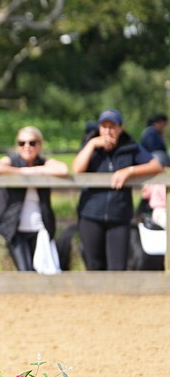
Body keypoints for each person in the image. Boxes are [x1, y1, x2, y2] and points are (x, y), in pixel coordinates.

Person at [73, 109, 163, 270]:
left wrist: (130, 171)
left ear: (120, 128)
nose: (108, 131)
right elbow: (77, 169)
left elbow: (156, 165)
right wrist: (92, 144)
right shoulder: (91, 146)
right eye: (104, 126)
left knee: (117, 268)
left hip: (119, 216)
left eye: (112, 126)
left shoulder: (130, 146)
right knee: (94, 266)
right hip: (91, 214)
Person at [0, 126, 69, 271]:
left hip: (41, 230)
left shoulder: (43, 162)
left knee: (42, 271)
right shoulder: (12, 160)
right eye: (22, 143)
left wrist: (36, 170)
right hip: (16, 230)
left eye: (32, 143)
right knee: (25, 271)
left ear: (40, 145)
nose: (27, 146)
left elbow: (63, 169)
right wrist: (21, 172)